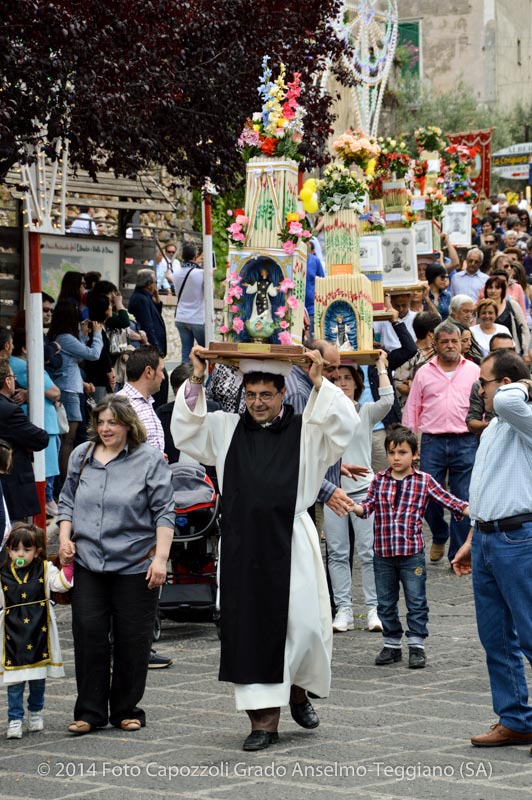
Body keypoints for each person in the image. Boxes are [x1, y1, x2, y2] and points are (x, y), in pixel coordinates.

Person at [170, 346, 357, 751]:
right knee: (249, 630)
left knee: (303, 628)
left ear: (281, 394)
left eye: (266, 395)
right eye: (251, 394)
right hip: (243, 545)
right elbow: (186, 430)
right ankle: (262, 721)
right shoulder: (225, 428)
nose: (257, 402)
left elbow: (345, 426)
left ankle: (297, 691)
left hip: (291, 540)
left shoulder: (307, 430)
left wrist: (320, 379)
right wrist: (198, 376)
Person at [57, 395, 174, 734]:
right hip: (89, 561)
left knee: (132, 639)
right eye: (101, 422)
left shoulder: (149, 459)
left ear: (128, 424)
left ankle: (126, 708)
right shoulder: (81, 456)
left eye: (113, 422)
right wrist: (65, 538)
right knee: (89, 633)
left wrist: (161, 559)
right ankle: (90, 711)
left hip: (135, 563)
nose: (106, 429)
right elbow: (67, 501)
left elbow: (164, 512)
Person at [452, 349, 532, 750]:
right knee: (496, 638)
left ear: (504, 384)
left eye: (483, 381)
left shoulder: (521, 416)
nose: (478, 390)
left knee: (531, 632)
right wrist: (470, 539)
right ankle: (516, 718)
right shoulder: (498, 426)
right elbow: (484, 490)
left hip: (519, 539)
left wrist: (519, 383)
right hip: (486, 537)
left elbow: (506, 397)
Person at [353, 425, 468, 669]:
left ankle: (417, 645)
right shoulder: (379, 480)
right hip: (383, 554)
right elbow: (368, 507)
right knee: (385, 602)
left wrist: (469, 509)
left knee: (416, 601)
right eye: (392, 452)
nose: (396, 457)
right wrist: (354, 507)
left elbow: (449, 500)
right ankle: (392, 644)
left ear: (414, 455)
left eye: (402, 452)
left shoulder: (424, 481)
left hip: (411, 555)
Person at [324, 353, 393, 634]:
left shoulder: (364, 412)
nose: (342, 383)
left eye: (347, 378)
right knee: (337, 553)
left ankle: (374, 609)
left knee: (368, 552)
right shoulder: (323, 414)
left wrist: (380, 365)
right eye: (337, 378)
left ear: (356, 383)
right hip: (332, 491)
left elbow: (388, 401)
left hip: (364, 491)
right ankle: (344, 610)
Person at [402, 321, 478, 563]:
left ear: (461, 343)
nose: (450, 346)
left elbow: (482, 407)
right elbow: (412, 407)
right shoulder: (424, 372)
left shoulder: (474, 371)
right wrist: (408, 444)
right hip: (432, 441)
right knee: (426, 495)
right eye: (444, 341)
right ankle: (439, 533)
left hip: (465, 440)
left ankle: (458, 553)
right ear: (435, 344)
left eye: (454, 341)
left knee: (462, 498)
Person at [0, 522, 73, 739]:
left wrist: (67, 564)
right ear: (8, 550)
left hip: (39, 630)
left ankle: (35, 713)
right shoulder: (3, 573)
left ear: (37, 551)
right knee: (14, 680)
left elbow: (61, 584)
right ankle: (14, 719)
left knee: (38, 677)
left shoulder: (45, 569)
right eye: (15, 549)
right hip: (12, 633)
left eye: (26, 550)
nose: (20, 554)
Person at [47, 300, 103, 481]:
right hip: (69, 390)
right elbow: (93, 354)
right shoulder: (65, 337)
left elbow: (76, 358)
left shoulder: (61, 337)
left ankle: (63, 480)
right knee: (68, 439)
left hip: (70, 387)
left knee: (69, 438)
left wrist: (85, 336)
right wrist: (97, 334)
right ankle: (64, 482)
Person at [0, 362, 49, 521]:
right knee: (14, 538)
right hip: (10, 485)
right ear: (8, 381)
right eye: (13, 377)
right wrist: (23, 443)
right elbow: (40, 438)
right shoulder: (9, 410)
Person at [128, 269, 168, 405]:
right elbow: (148, 324)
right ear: (148, 284)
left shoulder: (145, 297)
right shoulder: (140, 298)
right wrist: (156, 348)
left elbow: (155, 316)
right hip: (149, 348)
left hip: (152, 347)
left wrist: (157, 301)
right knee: (161, 381)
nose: (156, 285)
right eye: (155, 282)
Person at [173, 243, 205, 363]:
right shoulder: (201, 273)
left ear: (182, 256)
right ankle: (201, 377)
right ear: (195, 256)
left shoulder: (176, 273)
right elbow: (209, 293)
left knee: (186, 351)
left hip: (181, 317)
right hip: (197, 317)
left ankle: (184, 379)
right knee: (204, 350)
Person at [305, 240, 325, 337]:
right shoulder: (294, 259)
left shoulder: (315, 261)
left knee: (310, 339)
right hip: (295, 308)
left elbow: (322, 281)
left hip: (311, 307)